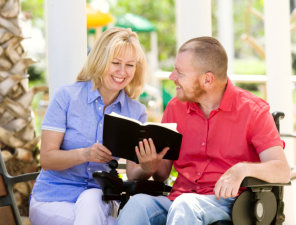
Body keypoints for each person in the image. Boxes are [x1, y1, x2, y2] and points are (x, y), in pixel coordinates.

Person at [116, 36, 291, 225]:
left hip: (227, 204)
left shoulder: (253, 111)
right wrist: (150, 165)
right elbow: (162, 174)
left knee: (185, 205)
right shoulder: (175, 108)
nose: (172, 77)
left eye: (180, 73)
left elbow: (282, 170)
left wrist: (243, 169)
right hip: (178, 200)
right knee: (137, 205)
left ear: (208, 79)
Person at [29, 27, 148, 225]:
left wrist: (148, 166)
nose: (122, 72)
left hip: (100, 199)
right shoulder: (67, 97)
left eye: (130, 65)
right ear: (100, 61)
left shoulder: (136, 112)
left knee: (92, 196)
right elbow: (47, 159)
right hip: (53, 198)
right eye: (115, 63)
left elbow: (134, 173)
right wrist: (84, 154)